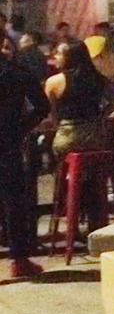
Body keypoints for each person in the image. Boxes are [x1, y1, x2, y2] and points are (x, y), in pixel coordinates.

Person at [1, 34, 50, 277]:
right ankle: (18, 260)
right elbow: (42, 106)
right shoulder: (16, 72)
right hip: (8, 142)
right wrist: (20, 128)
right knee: (14, 202)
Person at [45, 41, 112, 162]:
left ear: (69, 57)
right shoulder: (100, 79)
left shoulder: (54, 82)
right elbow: (113, 101)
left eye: (59, 53)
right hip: (96, 135)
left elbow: (50, 112)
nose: (55, 57)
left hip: (68, 136)